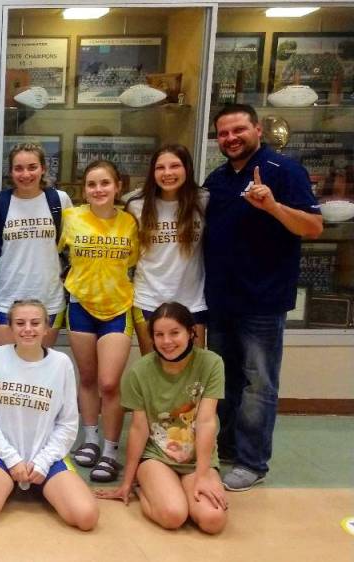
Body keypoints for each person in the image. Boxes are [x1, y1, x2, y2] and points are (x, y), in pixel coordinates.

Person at [203, 104, 322, 491]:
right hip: (221, 299)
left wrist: (272, 206)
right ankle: (230, 449)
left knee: (259, 384)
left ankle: (253, 463)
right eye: (223, 133)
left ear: (257, 129)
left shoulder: (283, 172)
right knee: (226, 382)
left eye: (238, 130)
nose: (231, 138)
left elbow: (313, 226)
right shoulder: (218, 178)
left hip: (262, 302)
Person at [95, 302, 228, 534]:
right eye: (159, 335)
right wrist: (126, 482)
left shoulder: (211, 363)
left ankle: (181, 488)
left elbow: (207, 422)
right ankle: (142, 487)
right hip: (156, 457)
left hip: (196, 460)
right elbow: (138, 429)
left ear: (190, 332)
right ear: (152, 338)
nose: (167, 341)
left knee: (213, 520)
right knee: (173, 516)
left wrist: (204, 474)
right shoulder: (140, 372)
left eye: (175, 333)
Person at [0, 299, 98, 530]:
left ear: (47, 328)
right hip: (3, 454)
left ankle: (44, 483)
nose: (28, 329)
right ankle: (7, 479)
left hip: (47, 455)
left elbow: (67, 423)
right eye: (20, 323)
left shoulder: (61, 363)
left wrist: (44, 462)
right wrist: (12, 459)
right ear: (10, 328)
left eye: (35, 323)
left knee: (86, 517)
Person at [60, 160, 139, 483]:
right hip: (80, 305)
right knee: (88, 377)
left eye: (105, 183)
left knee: (109, 382)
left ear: (117, 186)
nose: (98, 190)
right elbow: (54, 254)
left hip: (117, 308)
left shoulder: (130, 223)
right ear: (84, 190)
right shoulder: (71, 218)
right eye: (92, 185)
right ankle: (90, 438)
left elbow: (136, 262)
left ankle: (110, 448)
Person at [0, 143, 72, 349]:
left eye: (32, 167)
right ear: (10, 171)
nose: (26, 174)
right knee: (5, 369)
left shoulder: (59, 200)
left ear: (43, 168)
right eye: (19, 168)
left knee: (39, 368)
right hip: (6, 297)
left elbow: (69, 247)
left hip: (48, 298)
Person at [125, 145, 208, 354]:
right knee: (153, 370)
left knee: (191, 373)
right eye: (160, 167)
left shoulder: (204, 200)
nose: (167, 173)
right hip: (148, 298)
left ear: (187, 169)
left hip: (192, 300)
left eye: (175, 166)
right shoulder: (135, 205)